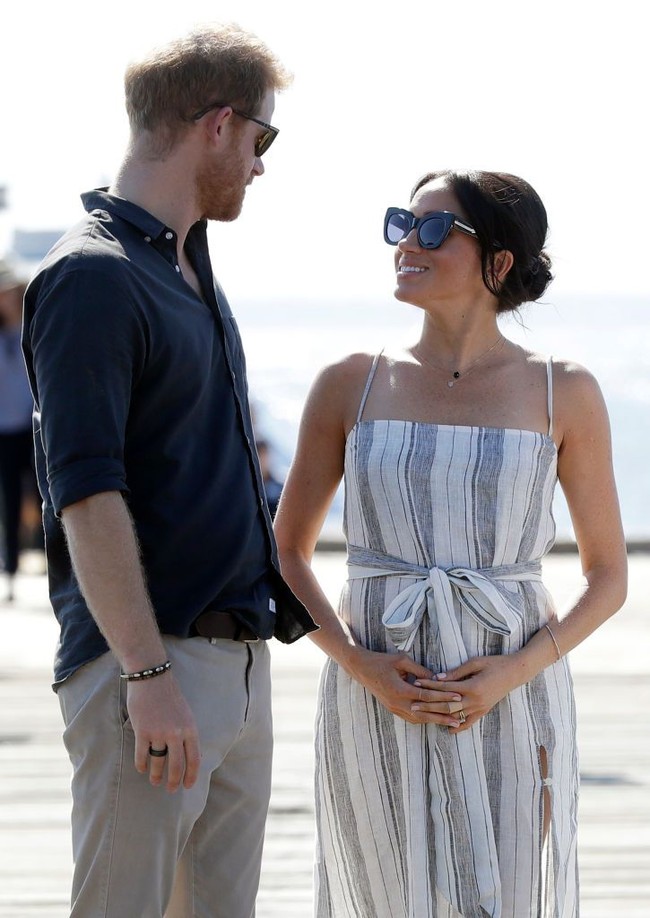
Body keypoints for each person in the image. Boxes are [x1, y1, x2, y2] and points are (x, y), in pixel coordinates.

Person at [274, 170, 627, 917]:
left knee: (502, 901)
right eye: (402, 223)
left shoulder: (564, 391)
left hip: (512, 692)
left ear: (498, 262)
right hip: (376, 689)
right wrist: (359, 663)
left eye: (434, 230)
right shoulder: (350, 383)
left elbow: (607, 577)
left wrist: (511, 675)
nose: (408, 243)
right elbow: (287, 552)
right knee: (382, 898)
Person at [21, 24, 315, 918]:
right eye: (262, 139)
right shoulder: (94, 275)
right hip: (150, 672)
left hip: (236, 666)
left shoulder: (187, 266)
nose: (260, 166)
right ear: (219, 124)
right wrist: (146, 677)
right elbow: (85, 491)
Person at [0, 259, 39, 601]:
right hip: (5, 433)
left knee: (48, 496)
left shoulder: (35, 328)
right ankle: (10, 572)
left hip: (35, 429)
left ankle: (64, 569)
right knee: (10, 501)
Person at [256, 438, 284, 518]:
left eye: (265, 455)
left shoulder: (279, 486)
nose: (263, 461)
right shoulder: (249, 487)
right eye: (260, 456)